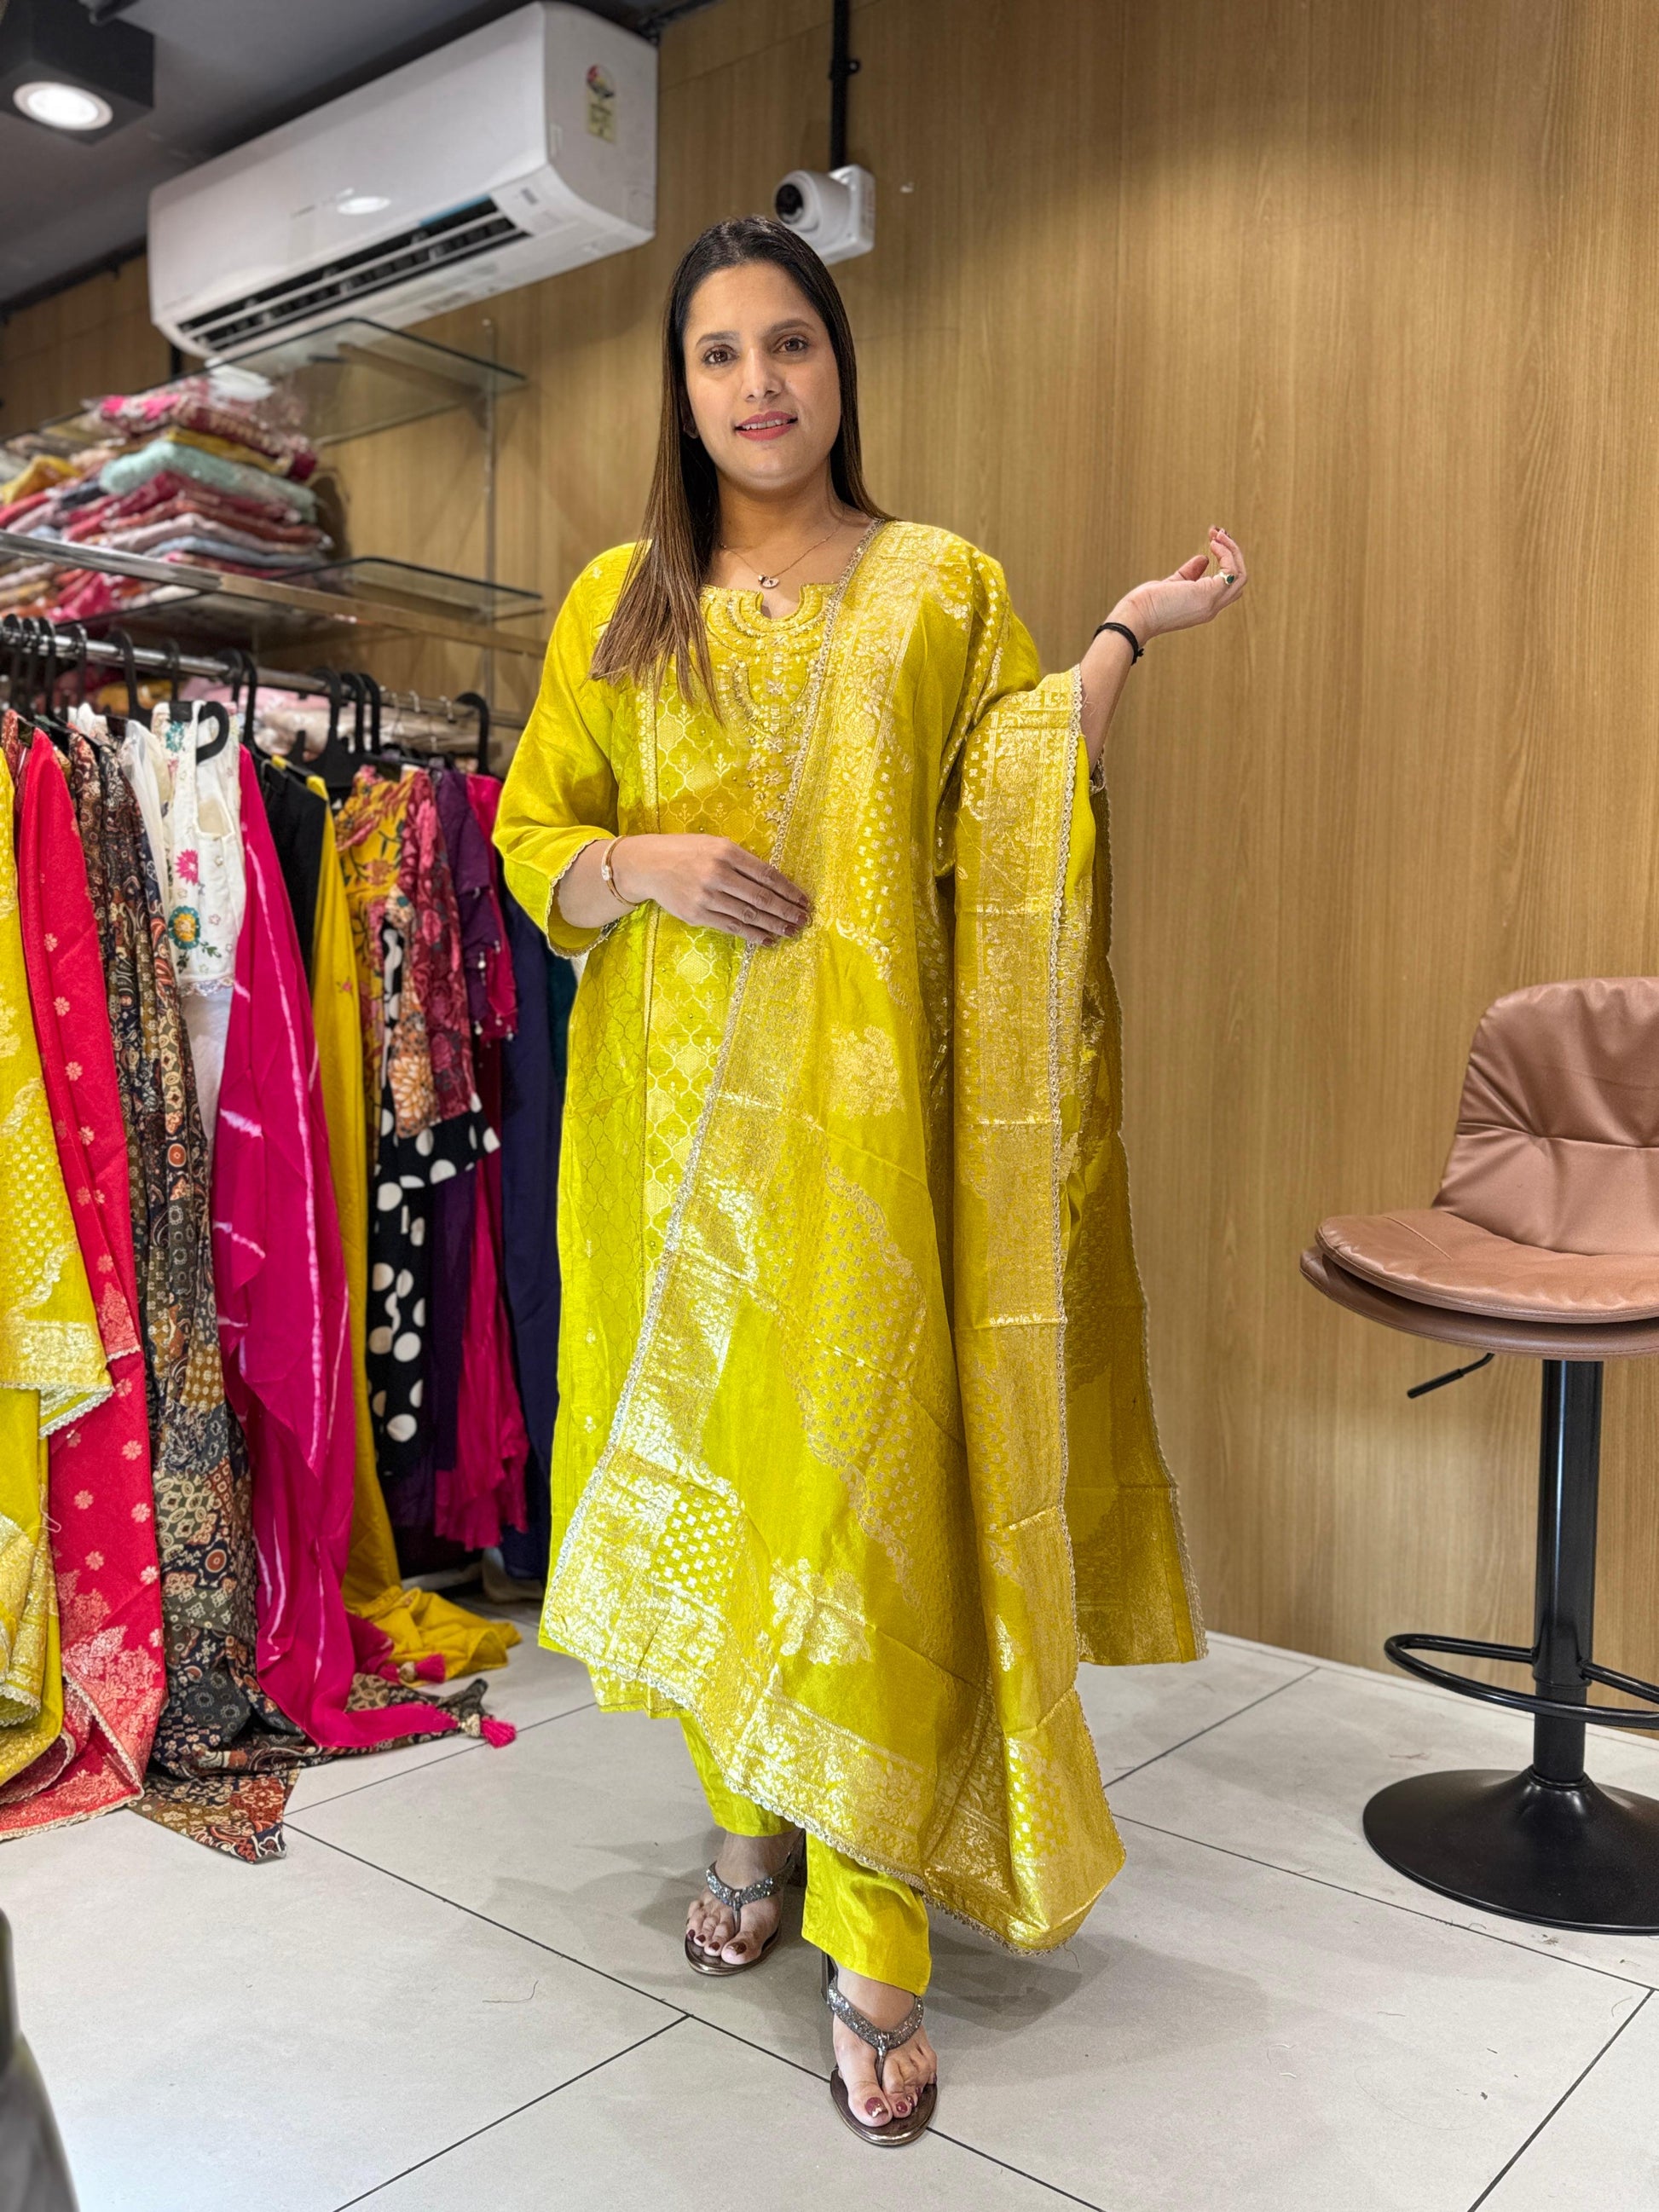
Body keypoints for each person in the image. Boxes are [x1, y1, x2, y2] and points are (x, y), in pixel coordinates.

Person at [494, 214, 1247, 2146]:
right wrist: (647, 864)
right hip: (665, 1161)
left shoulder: (940, 587)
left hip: (860, 1155)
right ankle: (747, 1828)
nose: (758, 383)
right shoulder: (618, 606)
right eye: (718, 354)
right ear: (681, 394)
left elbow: (1013, 796)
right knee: (730, 1508)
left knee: (860, 1512)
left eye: (790, 344)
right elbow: (533, 835)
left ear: (838, 366)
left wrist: (1118, 634)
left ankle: (873, 1934)